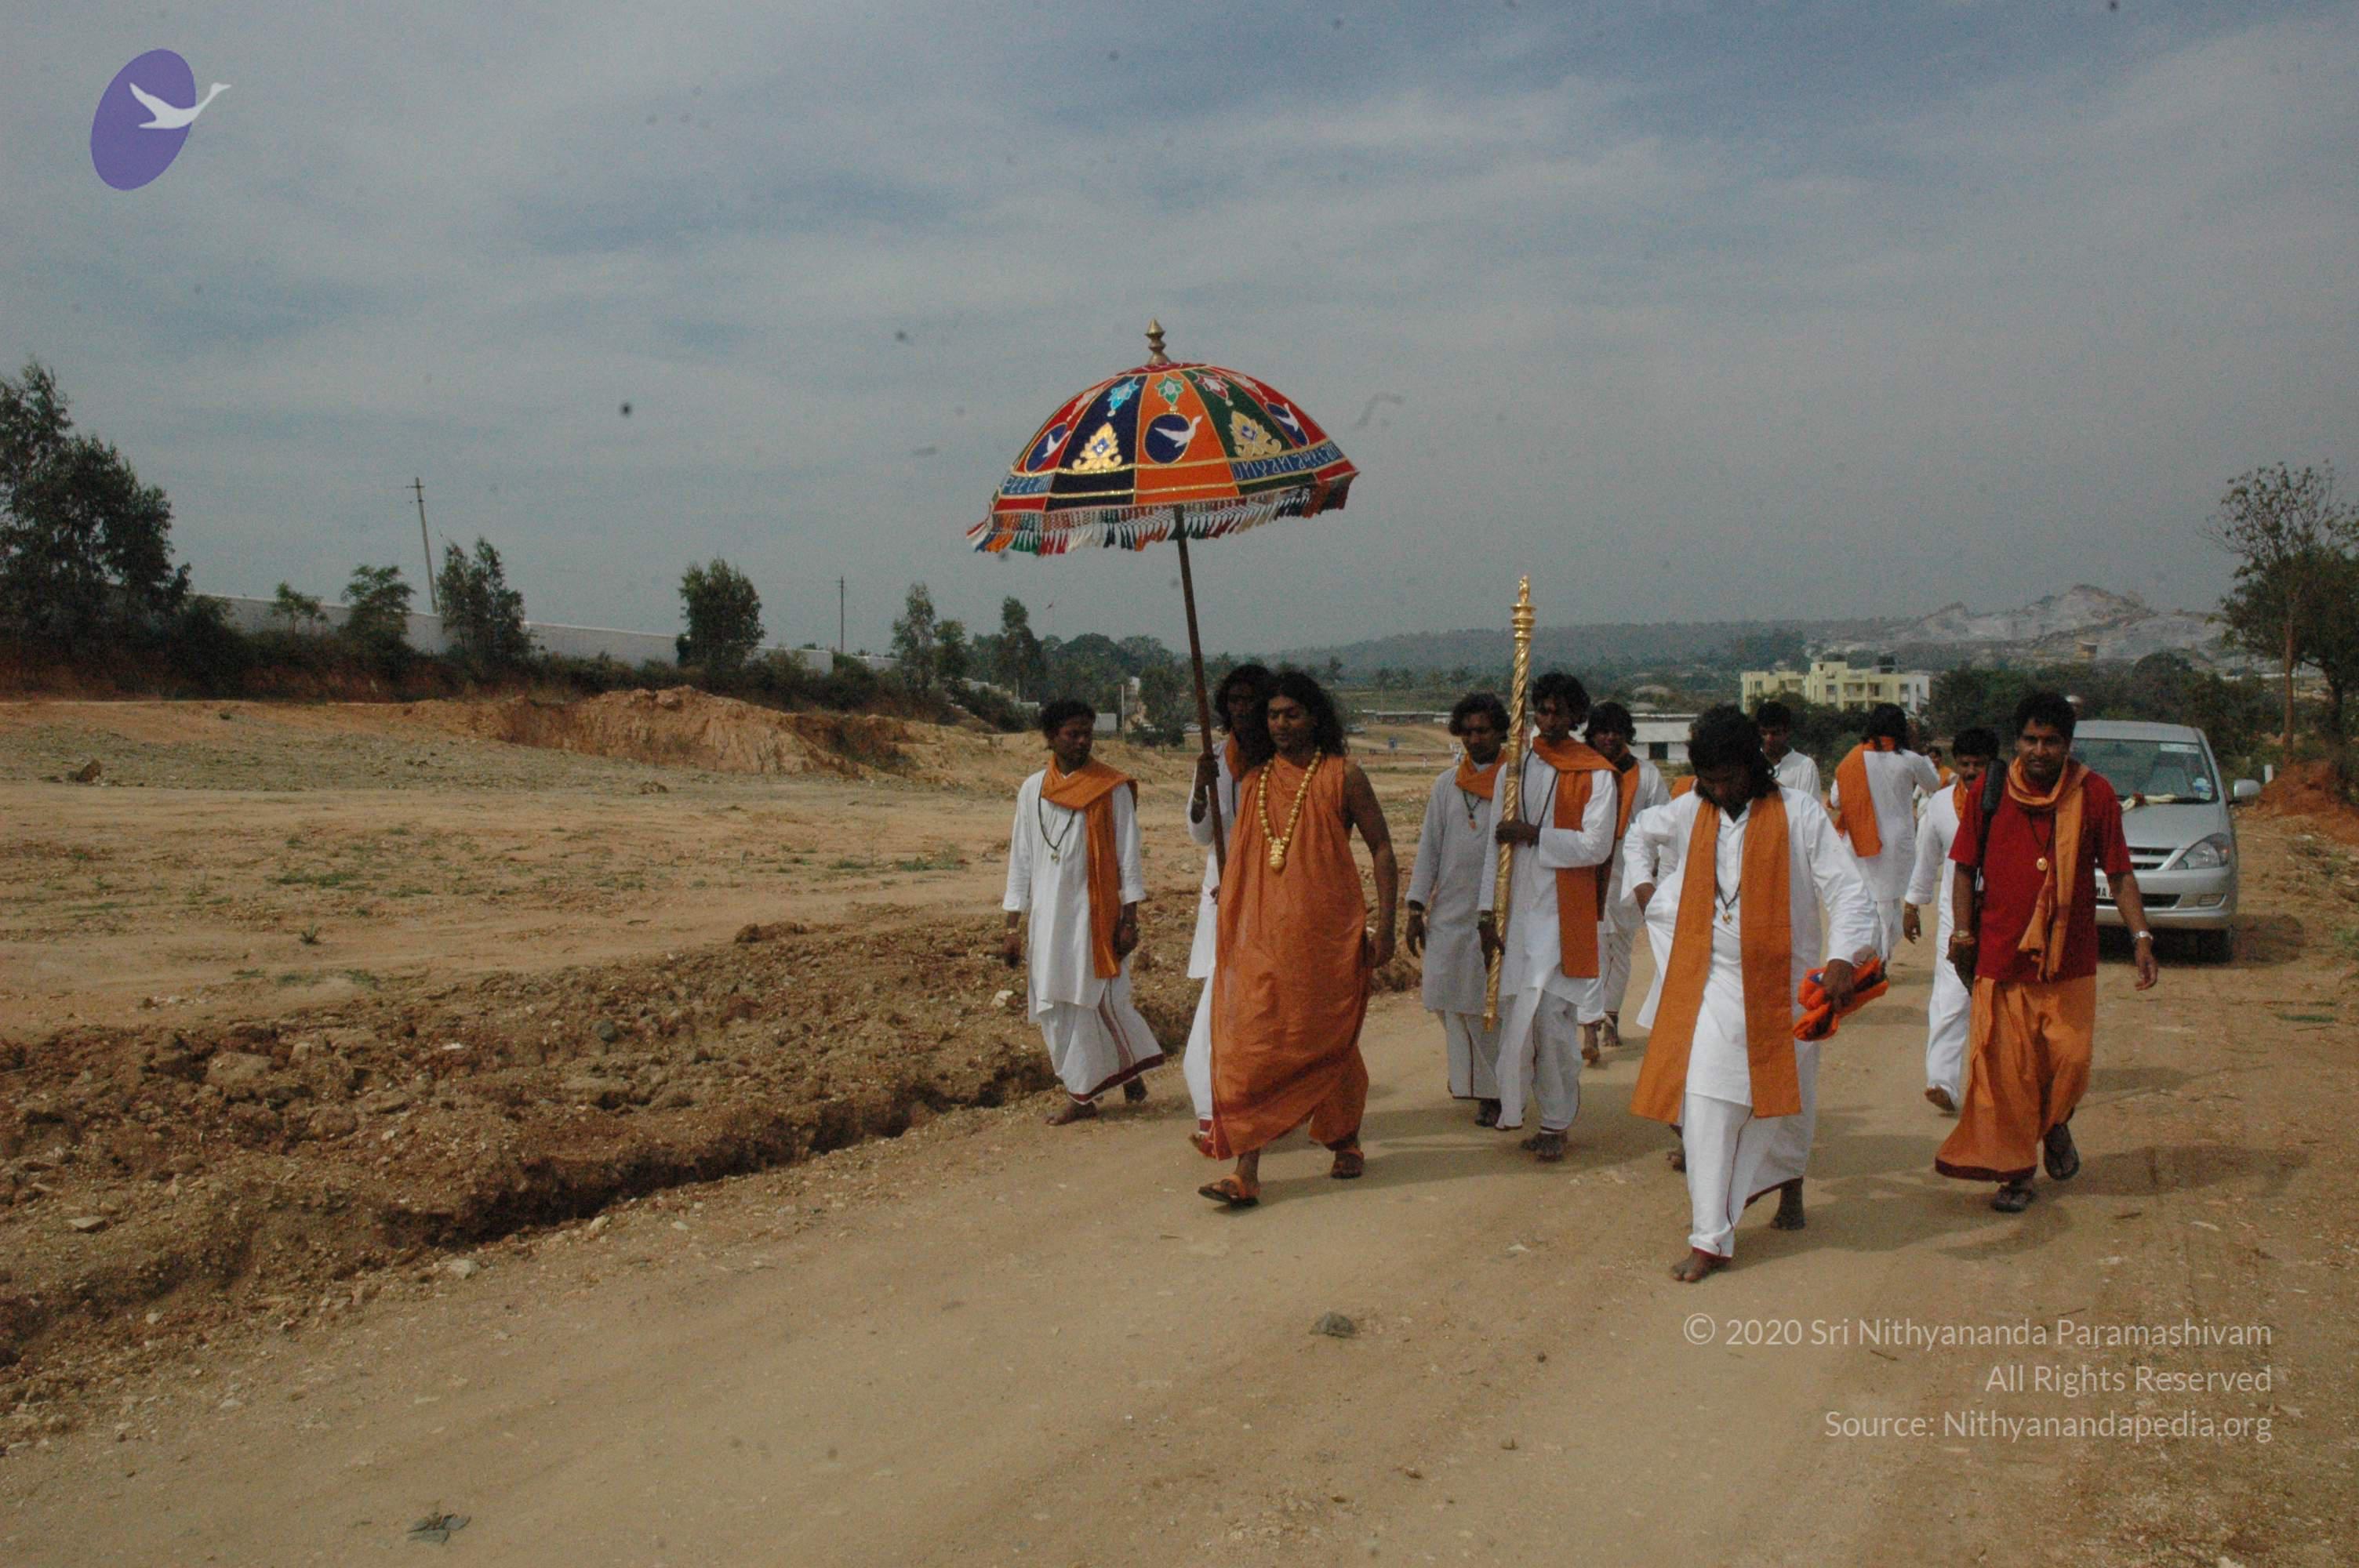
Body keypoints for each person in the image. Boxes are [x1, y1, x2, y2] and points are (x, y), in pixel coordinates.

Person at [1627, 706, 1881, 1281]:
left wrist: (1843, 959)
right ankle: (1710, 1236)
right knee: (1708, 1102)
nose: (1719, 791)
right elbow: (1640, 833)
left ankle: (1788, 1184)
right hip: (1712, 980)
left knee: (1785, 1102)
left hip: (1786, 984)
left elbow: (1847, 892)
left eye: (1729, 778)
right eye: (1709, 780)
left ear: (1753, 766)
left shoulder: (1800, 813)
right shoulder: (1692, 808)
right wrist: (1646, 890)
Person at [1938, 691, 2159, 1213]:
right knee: (2008, 1076)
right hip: (2001, 957)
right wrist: (1963, 935)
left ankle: (2056, 1121)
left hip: (2070, 960)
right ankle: (2016, 1174)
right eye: (2031, 740)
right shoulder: (1990, 791)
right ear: (2017, 742)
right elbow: (1964, 868)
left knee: (2070, 1063)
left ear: (2068, 744)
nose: (2040, 751)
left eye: (2051, 742)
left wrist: (2142, 938)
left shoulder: (2094, 794)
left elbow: (2120, 873)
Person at [1199, 672, 1398, 1207]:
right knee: (1253, 1041)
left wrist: (1387, 925)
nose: (1281, 725)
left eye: (1292, 714)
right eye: (1273, 715)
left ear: (1315, 717)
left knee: (1327, 1037)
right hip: (1262, 936)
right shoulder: (1254, 781)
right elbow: (1242, 857)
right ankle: (1246, 1168)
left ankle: (1344, 1138)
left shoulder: (1343, 775)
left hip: (1326, 935)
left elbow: (1381, 848)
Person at [1476, 673, 1617, 1162]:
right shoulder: (1515, 767)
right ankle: (1519, 1109)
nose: (1550, 719)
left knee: (1553, 1023)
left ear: (1577, 716)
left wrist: (1535, 835)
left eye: (1560, 711)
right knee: (1519, 1019)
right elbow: (1494, 847)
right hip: (1517, 916)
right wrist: (1485, 913)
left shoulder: (1596, 773)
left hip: (1563, 916)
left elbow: (1597, 846)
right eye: (1543, 709)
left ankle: (1556, 1123)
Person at [1001, 699, 1161, 1123]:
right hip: (1048, 921)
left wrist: (1129, 919)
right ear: (1051, 737)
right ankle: (1124, 1071)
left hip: (1094, 919)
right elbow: (1021, 859)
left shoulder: (1111, 788)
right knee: (1055, 1004)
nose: (1082, 742)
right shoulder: (1031, 789)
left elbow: (1128, 856)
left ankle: (1083, 1097)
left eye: (1087, 733)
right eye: (1072, 734)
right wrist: (1012, 925)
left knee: (1098, 1001)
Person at [1182, 664, 1274, 1152]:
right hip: (1222, 893)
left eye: (1250, 700)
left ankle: (1256, 1107)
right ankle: (1216, 1108)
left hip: (1270, 895)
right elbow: (1200, 832)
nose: (1242, 709)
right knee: (1220, 1000)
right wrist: (1202, 786)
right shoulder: (1216, 758)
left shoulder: (1282, 762)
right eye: (1234, 701)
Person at [1405, 692, 1509, 1124]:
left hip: (1498, 914)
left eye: (1482, 730)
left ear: (1500, 731)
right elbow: (1430, 847)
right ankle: (1471, 1078)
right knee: (1442, 996)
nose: (1473, 739)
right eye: (1466, 731)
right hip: (1448, 911)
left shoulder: (1515, 784)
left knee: (1486, 1005)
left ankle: (1494, 1092)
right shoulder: (1446, 785)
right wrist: (1415, 907)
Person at [1902, 727, 1998, 1114]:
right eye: (1966, 764)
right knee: (1951, 997)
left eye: (1980, 765)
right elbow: (1926, 857)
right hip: (1955, 916)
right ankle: (1942, 1081)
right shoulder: (1941, 804)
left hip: (2001, 915)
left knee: (2001, 1000)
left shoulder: (2010, 801)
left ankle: (2001, 1082)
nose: (1972, 772)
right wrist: (1913, 904)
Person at [1584, 702, 1670, 1057]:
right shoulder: (1583, 770)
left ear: (1626, 735)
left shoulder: (1646, 775)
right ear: (1592, 735)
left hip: (1629, 869)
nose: (1609, 738)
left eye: (1616, 731)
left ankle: (1611, 1015)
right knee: (1593, 948)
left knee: (1619, 948)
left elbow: (1663, 827)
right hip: (1587, 867)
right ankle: (1590, 1024)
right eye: (1602, 731)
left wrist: (1651, 873)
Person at [1827, 702, 1943, 960]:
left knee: (1866, 902)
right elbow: (1934, 783)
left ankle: (1870, 956)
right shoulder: (1910, 759)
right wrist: (1920, 751)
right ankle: (1880, 958)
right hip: (1896, 843)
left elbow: (1835, 799)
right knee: (1888, 903)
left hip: (1858, 842)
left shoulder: (1853, 758)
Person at [1756, 702, 1821, 800]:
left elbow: (1811, 806)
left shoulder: (1805, 766)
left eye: (1775, 733)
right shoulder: (1748, 763)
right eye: (1764, 733)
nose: (1769, 739)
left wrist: (1775, 787)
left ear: (1788, 732)